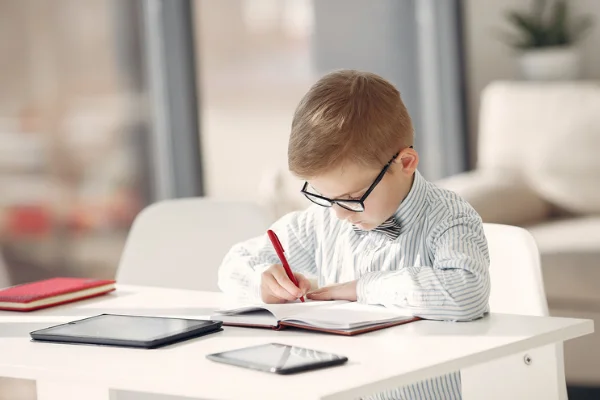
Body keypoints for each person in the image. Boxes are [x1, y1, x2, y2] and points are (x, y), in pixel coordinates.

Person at [218, 69, 490, 399]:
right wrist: (263, 283)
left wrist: (360, 289)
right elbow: (234, 265)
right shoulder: (324, 220)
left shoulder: (447, 218)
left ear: (405, 163)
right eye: (325, 197)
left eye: (351, 198)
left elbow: (468, 292)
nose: (339, 214)